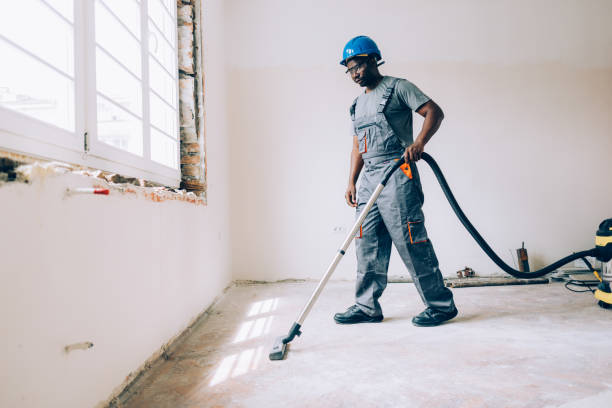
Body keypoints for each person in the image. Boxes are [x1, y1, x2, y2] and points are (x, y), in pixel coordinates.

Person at [334, 35, 458, 327]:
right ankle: (366, 307)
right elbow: (357, 147)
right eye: (350, 69)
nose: (355, 74)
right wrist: (351, 181)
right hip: (369, 180)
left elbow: (433, 112)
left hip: (397, 173)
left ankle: (441, 306)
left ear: (373, 60)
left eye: (359, 66)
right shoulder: (357, 104)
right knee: (366, 242)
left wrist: (419, 142)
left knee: (410, 240)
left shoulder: (398, 87)